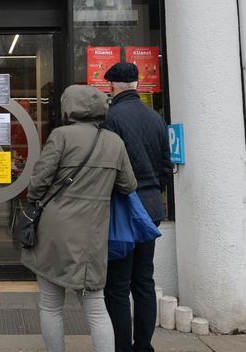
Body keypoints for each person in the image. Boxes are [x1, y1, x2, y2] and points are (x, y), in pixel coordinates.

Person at [22, 84, 137, 352]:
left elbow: (39, 182)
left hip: (54, 231)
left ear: (68, 107)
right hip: (92, 233)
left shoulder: (61, 136)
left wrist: (34, 199)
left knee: (50, 304)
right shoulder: (114, 142)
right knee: (96, 306)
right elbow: (128, 185)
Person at [102, 62, 172, 352]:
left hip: (124, 208)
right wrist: (154, 192)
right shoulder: (156, 118)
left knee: (117, 285)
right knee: (144, 281)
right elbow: (166, 167)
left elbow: (108, 168)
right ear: (137, 84)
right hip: (150, 208)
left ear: (111, 87)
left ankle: (122, 348)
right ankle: (144, 346)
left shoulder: (111, 118)